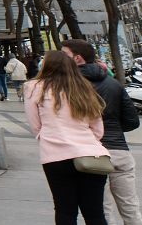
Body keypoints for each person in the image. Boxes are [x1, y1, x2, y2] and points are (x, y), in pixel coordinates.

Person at [25, 50, 109, 225]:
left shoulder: (34, 87)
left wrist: (50, 136)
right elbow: (98, 128)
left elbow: (35, 124)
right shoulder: (84, 88)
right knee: (95, 213)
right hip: (91, 154)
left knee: (65, 210)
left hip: (55, 155)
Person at [64, 38, 142, 225]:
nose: (61, 58)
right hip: (120, 152)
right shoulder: (113, 83)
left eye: (64, 54)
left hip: (91, 155)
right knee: (131, 209)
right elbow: (132, 121)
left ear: (77, 59)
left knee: (102, 210)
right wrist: (113, 130)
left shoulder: (69, 86)